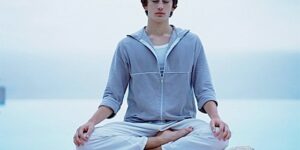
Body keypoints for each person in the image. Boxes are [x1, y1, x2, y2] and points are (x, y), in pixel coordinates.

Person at [73, 0, 231, 149]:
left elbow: (204, 89)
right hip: (138, 125)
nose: (160, 6)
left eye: (166, 1)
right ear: (145, 5)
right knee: (86, 142)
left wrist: (215, 118)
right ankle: (160, 141)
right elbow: (112, 96)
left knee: (219, 138)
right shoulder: (127, 46)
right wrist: (91, 122)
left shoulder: (191, 42)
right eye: (155, 1)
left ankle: (152, 147)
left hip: (182, 123)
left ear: (173, 6)